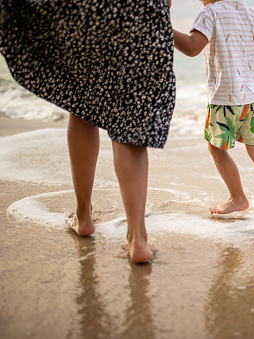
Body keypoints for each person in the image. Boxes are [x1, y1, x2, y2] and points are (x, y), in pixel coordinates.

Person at [0, 0, 176, 263]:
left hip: (86, 12)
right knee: (130, 121)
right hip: (141, 12)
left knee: (82, 104)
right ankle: (137, 239)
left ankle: (83, 216)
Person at [171, 0, 254, 219]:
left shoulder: (210, 13)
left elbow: (193, 48)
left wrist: (162, 28)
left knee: (216, 148)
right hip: (253, 97)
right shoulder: (246, 11)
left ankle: (238, 197)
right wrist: (246, 58)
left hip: (225, 97)